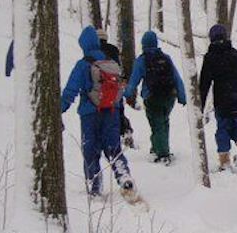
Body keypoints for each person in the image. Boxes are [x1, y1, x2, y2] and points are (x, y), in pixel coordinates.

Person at [61, 26, 134, 196]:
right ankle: (124, 177)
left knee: (90, 149)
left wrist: (60, 108)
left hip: (89, 113)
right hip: (111, 111)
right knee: (113, 147)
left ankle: (95, 186)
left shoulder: (83, 64)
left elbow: (71, 90)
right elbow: (119, 89)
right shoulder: (112, 63)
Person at [124, 31, 186, 164]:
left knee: (157, 124)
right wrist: (182, 96)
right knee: (164, 121)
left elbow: (134, 80)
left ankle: (163, 153)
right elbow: (177, 78)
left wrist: (127, 93)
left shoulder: (142, 60)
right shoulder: (166, 58)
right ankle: (158, 147)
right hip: (169, 96)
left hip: (152, 96)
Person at [200, 24, 237, 170]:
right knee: (235, 124)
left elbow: (204, 83)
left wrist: (200, 106)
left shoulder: (211, 57)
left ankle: (224, 160)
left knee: (222, 128)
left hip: (223, 100)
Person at [96, 29, 135, 148]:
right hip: (115, 85)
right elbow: (119, 68)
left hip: (100, 87)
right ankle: (125, 130)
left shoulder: (94, 51)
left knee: (101, 112)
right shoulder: (113, 50)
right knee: (118, 109)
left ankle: (103, 137)